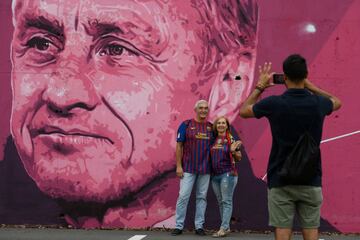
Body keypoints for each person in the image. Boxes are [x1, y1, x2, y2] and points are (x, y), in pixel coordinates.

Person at [7, 0, 259, 228]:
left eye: (117, 50)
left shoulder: (265, 226)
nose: (60, 93)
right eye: (41, 43)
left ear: (226, 88)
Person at [239, 54, 342, 240]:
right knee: (311, 231)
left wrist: (260, 87)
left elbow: (245, 111)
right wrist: (312, 87)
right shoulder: (318, 103)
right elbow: (337, 102)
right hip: (310, 178)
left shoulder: (274, 103)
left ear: (284, 77)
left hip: (280, 178)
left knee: (282, 231)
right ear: (305, 75)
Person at [171, 100, 212, 236]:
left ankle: (199, 226)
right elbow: (179, 146)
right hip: (188, 168)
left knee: (201, 197)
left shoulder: (211, 128)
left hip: (205, 169)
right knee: (183, 196)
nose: (203, 110)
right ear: (195, 109)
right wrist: (178, 166)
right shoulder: (186, 125)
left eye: (206, 108)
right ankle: (178, 226)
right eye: (201, 108)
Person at [210, 116, 241, 237]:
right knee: (221, 202)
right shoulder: (213, 139)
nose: (221, 125)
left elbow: (239, 158)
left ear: (227, 126)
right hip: (215, 176)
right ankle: (226, 227)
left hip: (228, 174)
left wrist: (234, 151)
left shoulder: (231, 139)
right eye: (219, 123)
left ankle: (223, 228)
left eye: (223, 123)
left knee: (226, 201)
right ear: (216, 126)